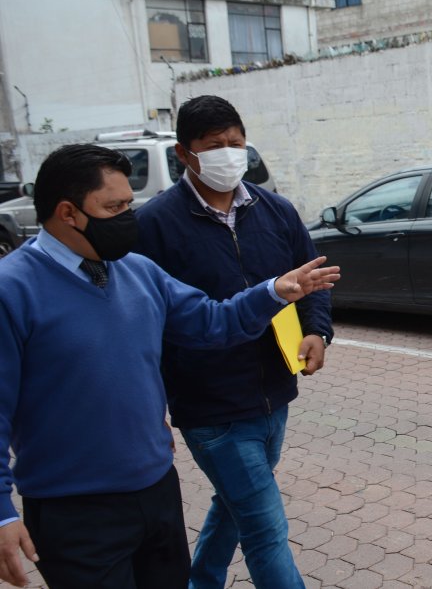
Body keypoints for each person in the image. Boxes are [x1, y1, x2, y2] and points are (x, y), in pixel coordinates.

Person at [0, 144, 339, 588]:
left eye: (129, 204)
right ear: (68, 212)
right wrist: (3, 513)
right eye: (114, 206)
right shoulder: (13, 288)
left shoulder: (138, 272)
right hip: (75, 508)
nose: (127, 217)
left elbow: (212, 323)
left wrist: (274, 292)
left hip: (156, 490)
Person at [134, 95, 333, 589]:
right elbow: (141, 321)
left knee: (235, 501)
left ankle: (202, 581)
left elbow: (313, 281)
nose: (229, 153)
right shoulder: (154, 226)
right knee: (266, 528)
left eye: (236, 143)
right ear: (185, 154)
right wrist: (149, 398)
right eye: (214, 146)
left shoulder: (276, 211)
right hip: (210, 406)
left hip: (274, 393)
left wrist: (316, 330)